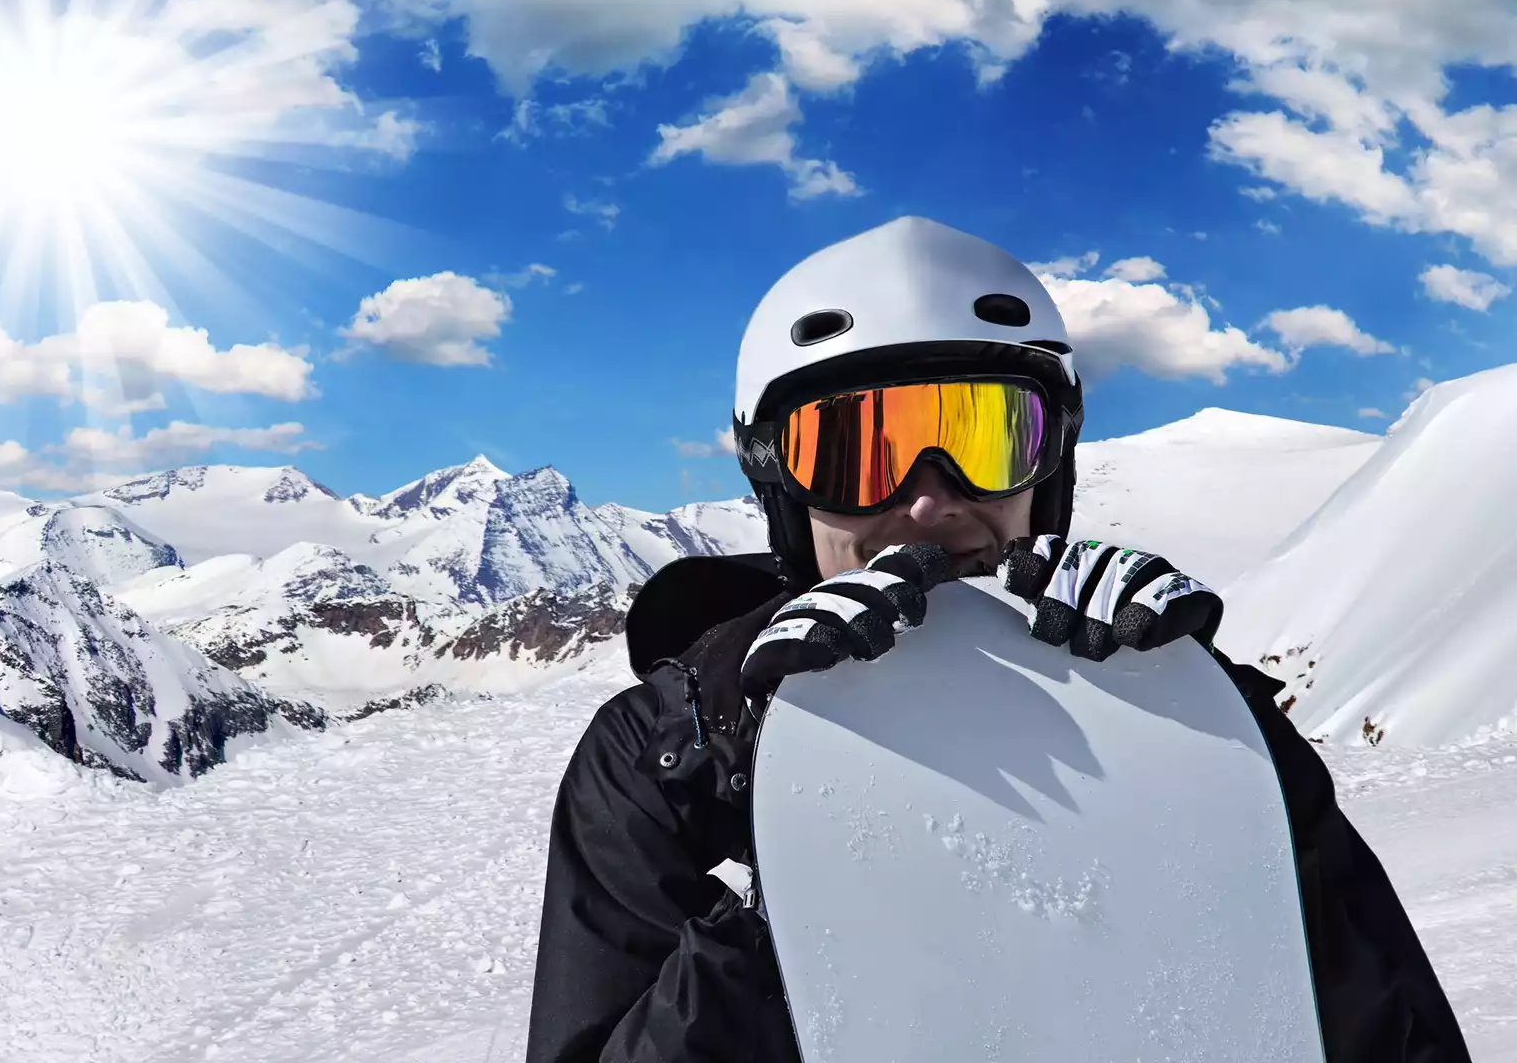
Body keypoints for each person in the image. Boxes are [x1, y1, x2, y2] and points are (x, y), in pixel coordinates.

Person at [525, 216, 1470, 1063]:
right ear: (780, 486)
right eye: (856, 451)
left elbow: (1384, 1027)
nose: (929, 503)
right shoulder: (667, 757)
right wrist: (791, 871)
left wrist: (1205, 728)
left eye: (988, 436)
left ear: (1048, 473)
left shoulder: (1184, 701)